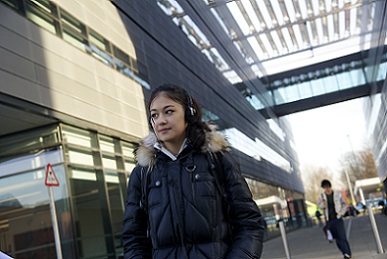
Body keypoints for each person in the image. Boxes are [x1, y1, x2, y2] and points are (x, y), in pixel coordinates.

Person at [122, 83, 265, 258]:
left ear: (188, 113)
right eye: (154, 115)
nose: (161, 120)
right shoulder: (143, 173)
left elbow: (249, 225)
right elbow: (133, 239)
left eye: (169, 111)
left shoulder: (217, 160)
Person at [318, 179, 352, 259]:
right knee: (336, 238)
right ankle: (344, 252)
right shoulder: (321, 196)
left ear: (330, 186)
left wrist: (341, 213)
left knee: (342, 236)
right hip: (329, 220)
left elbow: (344, 204)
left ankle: (347, 253)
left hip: (338, 218)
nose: (327, 189)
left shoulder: (337, 194)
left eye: (328, 187)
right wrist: (323, 203)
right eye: (325, 187)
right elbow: (320, 207)